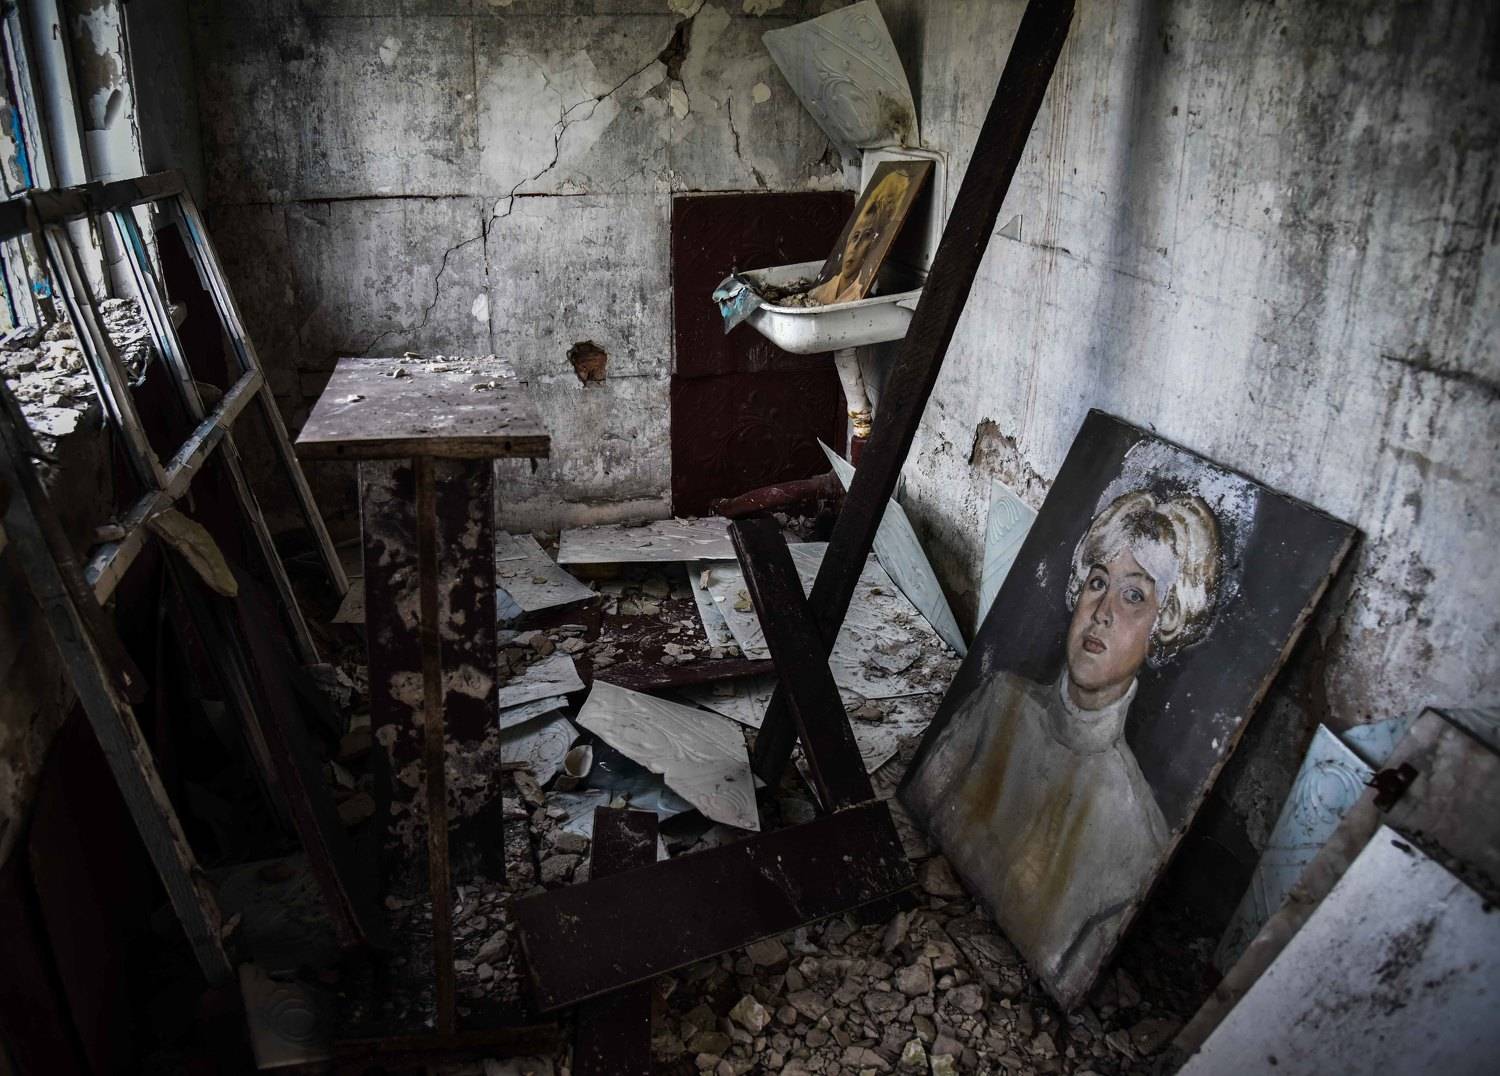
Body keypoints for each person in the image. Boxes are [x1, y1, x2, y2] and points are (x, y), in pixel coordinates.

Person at [902, 488, 1221, 1006]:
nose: (1102, 612)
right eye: (1098, 583)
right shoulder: (999, 701)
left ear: (1164, 626)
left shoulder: (1137, 834)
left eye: (1133, 596)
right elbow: (919, 811)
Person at [809, 169, 912, 306]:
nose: (855, 246)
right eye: (855, 236)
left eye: (867, 236)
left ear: (875, 245)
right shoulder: (818, 293)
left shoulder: (858, 296)